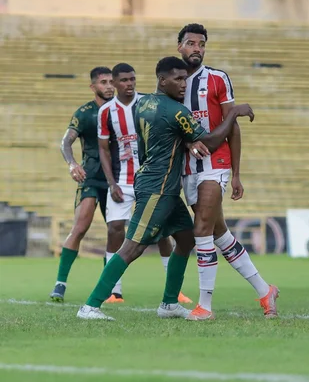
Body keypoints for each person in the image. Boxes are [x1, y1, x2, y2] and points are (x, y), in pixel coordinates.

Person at [77, 56, 254, 320]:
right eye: (178, 79)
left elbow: (167, 135)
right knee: (132, 247)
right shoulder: (176, 111)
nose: (184, 84)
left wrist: (185, 143)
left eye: (185, 78)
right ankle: (90, 306)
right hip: (157, 188)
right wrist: (233, 114)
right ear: (162, 80)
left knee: (186, 238)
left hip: (162, 185)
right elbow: (211, 140)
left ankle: (169, 304)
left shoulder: (143, 103)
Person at [176, 23, 277, 320]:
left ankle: (205, 306)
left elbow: (232, 126)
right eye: (191, 43)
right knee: (221, 235)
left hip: (216, 165)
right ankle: (264, 290)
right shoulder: (173, 82)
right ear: (179, 46)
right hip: (188, 168)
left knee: (202, 229)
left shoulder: (218, 79)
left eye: (202, 44)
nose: (197, 48)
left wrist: (235, 173)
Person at [97, 62, 191, 304]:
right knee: (121, 235)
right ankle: (105, 296)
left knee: (179, 236)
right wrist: (111, 183)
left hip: (156, 181)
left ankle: (172, 299)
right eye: (124, 80)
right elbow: (104, 149)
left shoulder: (146, 103)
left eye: (132, 79)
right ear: (115, 83)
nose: (130, 84)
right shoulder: (107, 111)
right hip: (134, 180)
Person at [49, 67, 114, 302]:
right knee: (80, 227)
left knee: (116, 232)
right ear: (93, 87)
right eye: (103, 82)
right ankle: (60, 284)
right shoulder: (85, 113)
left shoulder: (122, 109)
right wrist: (72, 164)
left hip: (117, 180)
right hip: (92, 177)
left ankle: (111, 288)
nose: (109, 86)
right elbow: (66, 142)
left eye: (111, 81)